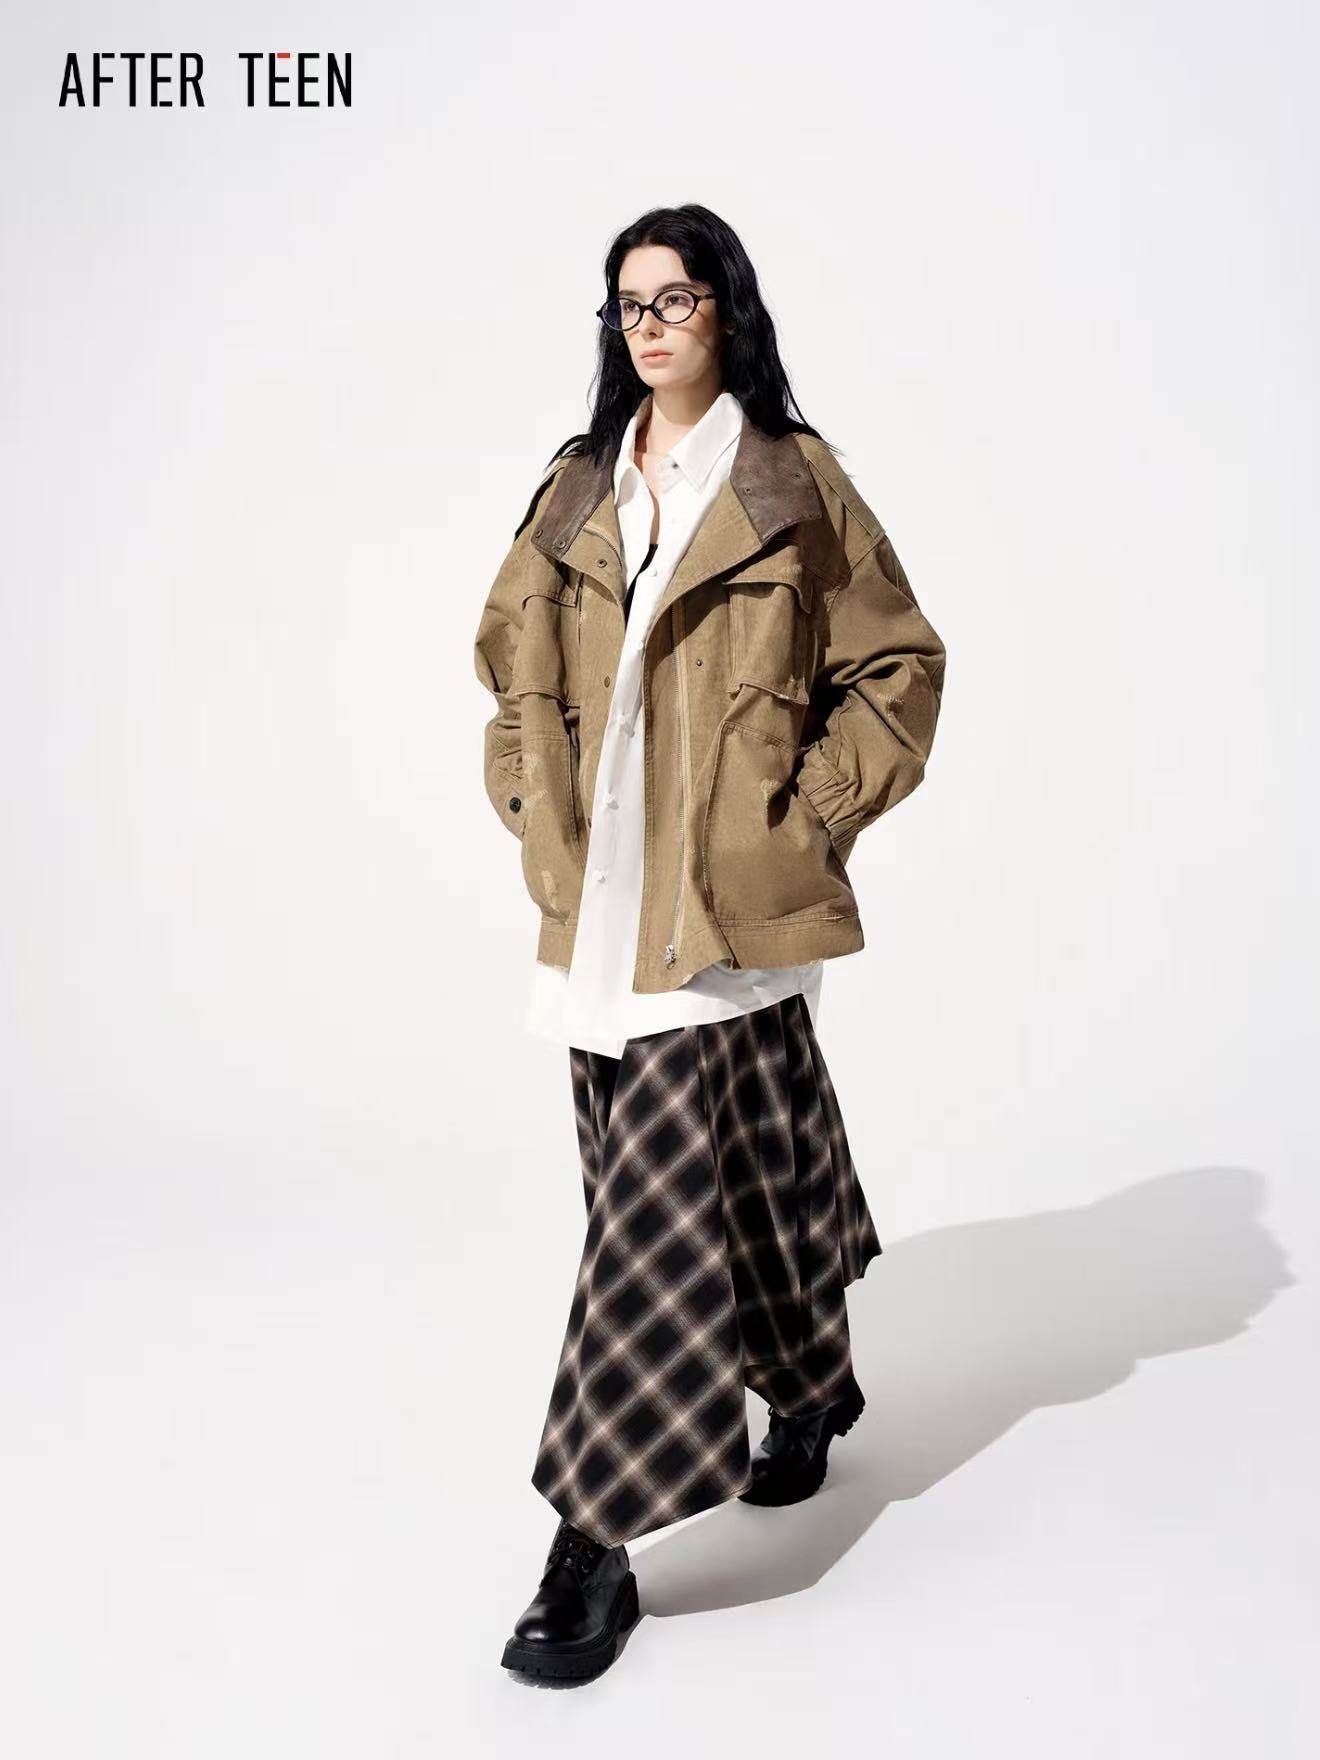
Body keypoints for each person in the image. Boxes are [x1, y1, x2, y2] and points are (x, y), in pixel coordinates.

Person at [473, 203, 946, 1684]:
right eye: (630, 305)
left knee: (645, 1232)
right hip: (596, 914)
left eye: (677, 298)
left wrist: (799, 824)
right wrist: (528, 796)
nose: (652, 326)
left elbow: (898, 666)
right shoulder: (575, 488)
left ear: (727, 309)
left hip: (722, 913)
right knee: (731, 1161)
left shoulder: (793, 483)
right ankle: (806, 1383)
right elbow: (508, 664)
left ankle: (591, 1540)